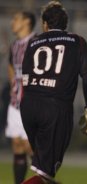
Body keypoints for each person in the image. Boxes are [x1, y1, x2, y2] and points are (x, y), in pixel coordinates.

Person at [20, 1, 87, 183]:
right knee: (46, 173)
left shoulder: (32, 43)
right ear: (65, 24)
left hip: (29, 106)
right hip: (55, 108)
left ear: (45, 24)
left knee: (43, 168)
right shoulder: (77, 41)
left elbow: (25, 76)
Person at [5, 11, 36, 184]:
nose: (12, 22)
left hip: (30, 103)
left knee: (29, 146)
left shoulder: (36, 43)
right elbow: (11, 65)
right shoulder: (15, 45)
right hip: (15, 102)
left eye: (16, 19)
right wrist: (13, 85)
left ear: (26, 22)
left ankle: (45, 177)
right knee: (17, 145)